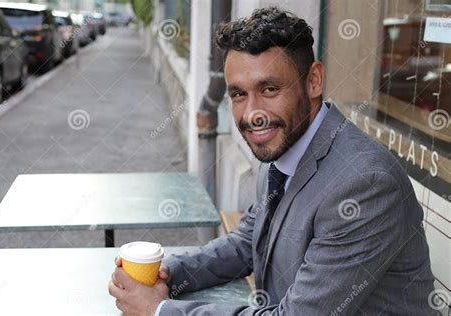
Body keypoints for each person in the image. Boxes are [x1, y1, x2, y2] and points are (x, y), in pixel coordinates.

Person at [108, 7, 437, 315]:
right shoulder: (285, 147)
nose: (253, 115)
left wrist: (161, 310)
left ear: (314, 81)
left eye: (269, 89)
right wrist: (168, 273)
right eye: (238, 94)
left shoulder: (364, 184)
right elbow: (247, 243)